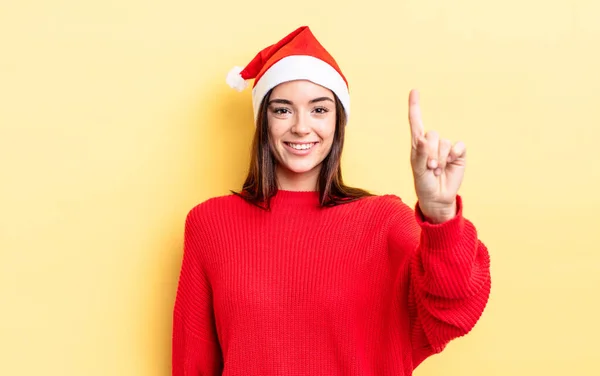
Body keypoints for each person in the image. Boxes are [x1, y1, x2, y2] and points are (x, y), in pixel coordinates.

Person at [172, 25, 491, 376]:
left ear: (339, 121)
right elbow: (194, 364)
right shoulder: (210, 224)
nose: (301, 127)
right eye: (282, 110)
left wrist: (441, 214)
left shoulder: (384, 221)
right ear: (263, 120)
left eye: (319, 110)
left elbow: (456, 307)